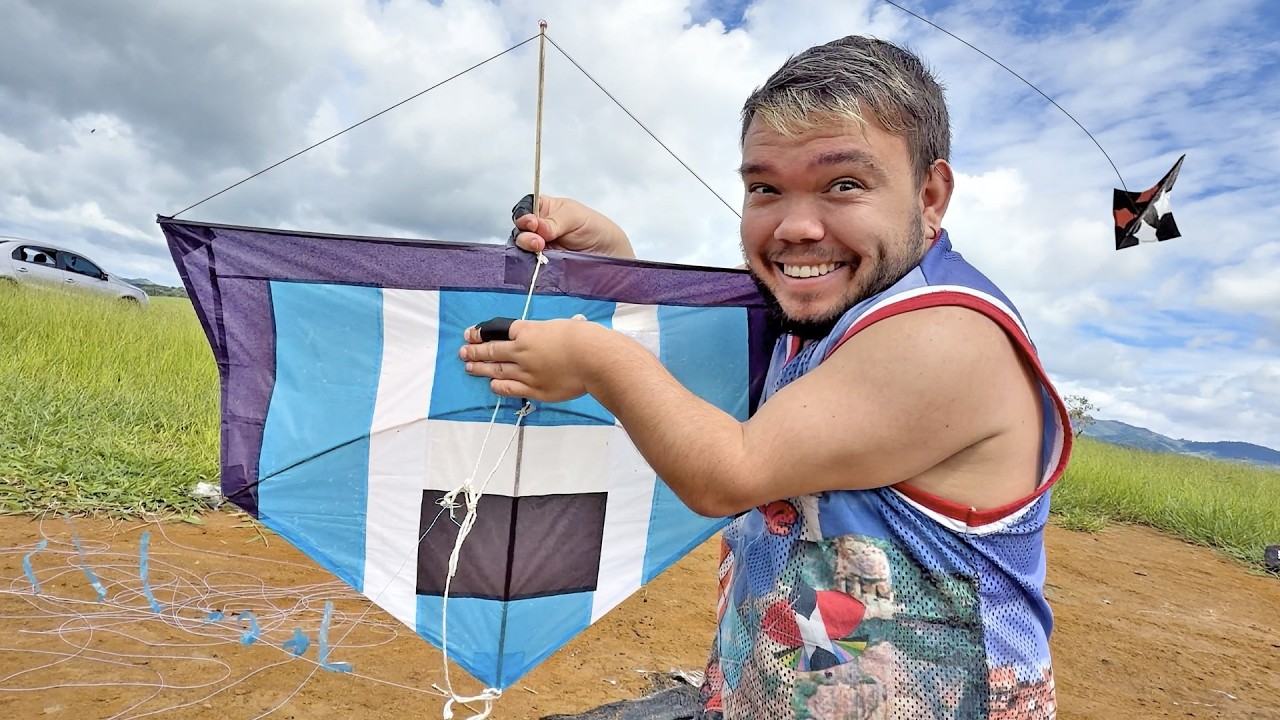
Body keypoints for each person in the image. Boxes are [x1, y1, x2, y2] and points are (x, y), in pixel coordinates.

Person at [461, 35, 1072, 720]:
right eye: (764, 188)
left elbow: (727, 468)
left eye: (844, 184)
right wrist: (615, 270)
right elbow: (690, 397)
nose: (796, 226)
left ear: (930, 195)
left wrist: (598, 354)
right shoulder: (818, 316)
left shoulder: (947, 335)